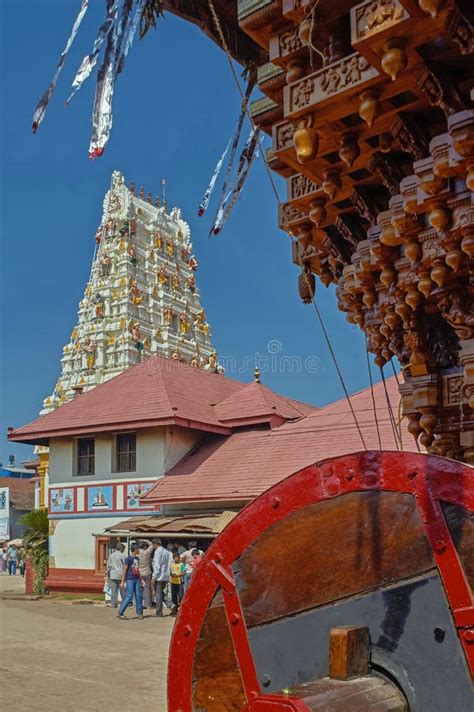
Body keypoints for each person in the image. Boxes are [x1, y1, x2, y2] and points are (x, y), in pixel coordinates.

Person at [117, 543, 144, 620]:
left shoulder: (137, 559)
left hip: (136, 579)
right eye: (138, 549)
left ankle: (140, 613)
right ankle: (121, 612)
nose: (139, 551)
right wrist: (122, 581)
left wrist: (141, 579)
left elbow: (137, 570)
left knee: (139, 595)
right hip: (130, 579)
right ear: (135, 550)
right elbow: (125, 570)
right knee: (129, 596)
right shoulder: (128, 559)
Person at [152, 539, 172, 617]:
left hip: (159, 576)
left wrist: (154, 576)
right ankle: (171, 605)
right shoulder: (167, 552)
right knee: (160, 593)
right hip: (165, 575)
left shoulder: (158, 552)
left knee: (158, 594)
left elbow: (157, 565)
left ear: (155, 544)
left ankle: (159, 611)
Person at [106, 543, 125, 608]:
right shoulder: (122, 556)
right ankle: (124, 603)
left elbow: (108, 566)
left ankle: (113, 604)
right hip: (120, 575)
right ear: (121, 549)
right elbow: (125, 566)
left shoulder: (111, 555)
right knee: (122, 590)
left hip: (113, 574)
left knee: (113, 591)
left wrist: (108, 573)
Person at [137, 540, 155, 609]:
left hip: (138, 573)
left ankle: (138, 604)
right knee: (147, 589)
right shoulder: (146, 552)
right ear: (144, 546)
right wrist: (145, 540)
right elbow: (151, 545)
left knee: (138, 589)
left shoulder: (136, 553)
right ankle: (147, 604)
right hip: (147, 572)